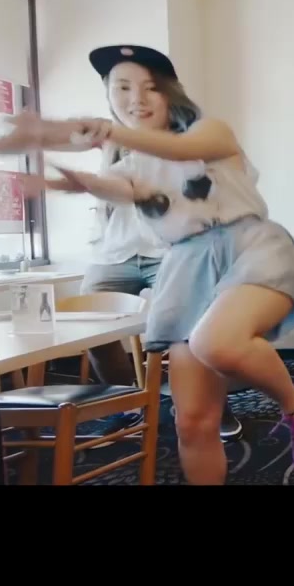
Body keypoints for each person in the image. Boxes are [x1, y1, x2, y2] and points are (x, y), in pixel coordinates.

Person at [0, 45, 294, 485]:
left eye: (150, 88)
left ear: (170, 94)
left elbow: (182, 150)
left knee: (217, 342)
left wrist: (104, 132)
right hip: (185, 267)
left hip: (250, 246)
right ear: (109, 96)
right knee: (192, 422)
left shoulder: (209, 130)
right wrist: (53, 174)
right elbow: (118, 187)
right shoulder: (129, 165)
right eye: (122, 88)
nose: (136, 99)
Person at [78, 81, 242, 444]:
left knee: (196, 327)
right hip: (115, 252)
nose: (136, 100)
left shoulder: (185, 140)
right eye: (122, 89)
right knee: (88, 321)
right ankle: (127, 405)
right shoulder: (113, 141)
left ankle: (214, 405)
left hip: (171, 249)